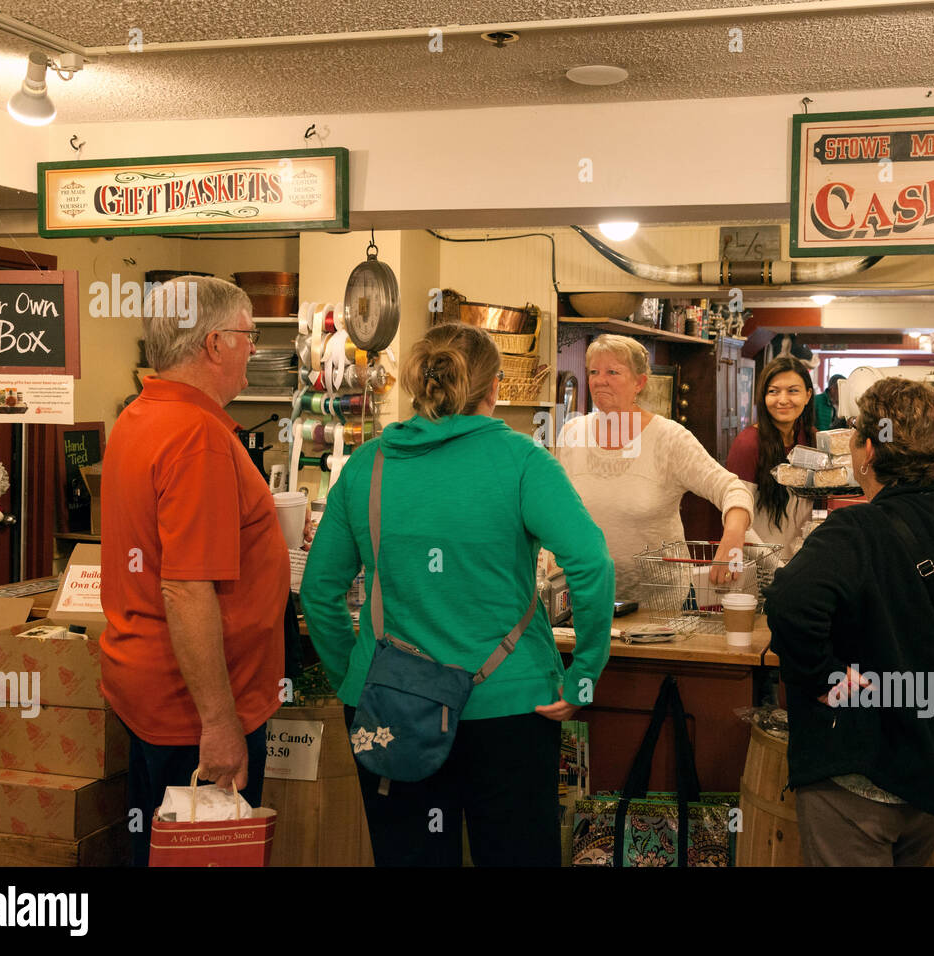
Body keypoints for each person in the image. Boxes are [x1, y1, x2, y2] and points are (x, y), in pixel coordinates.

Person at [301, 322, 614, 867]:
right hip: (512, 705)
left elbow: (319, 590)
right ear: (495, 388)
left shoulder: (367, 465)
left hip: (391, 704)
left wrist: (353, 678)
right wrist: (584, 672)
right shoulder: (522, 461)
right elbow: (591, 563)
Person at [765, 376, 934, 866]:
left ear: (867, 452)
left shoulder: (853, 530)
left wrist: (825, 680)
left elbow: (790, 605)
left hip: (860, 777)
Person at [99, 276, 286, 867]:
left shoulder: (139, 415)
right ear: (212, 345)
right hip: (194, 709)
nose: (253, 349)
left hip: (152, 692)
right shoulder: (197, 437)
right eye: (247, 335)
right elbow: (185, 589)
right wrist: (220, 724)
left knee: (153, 851)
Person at [555, 334, 754, 603]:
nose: (600, 379)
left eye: (613, 371)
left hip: (661, 606)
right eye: (594, 371)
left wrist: (732, 538)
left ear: (639, 382)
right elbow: (557, 509)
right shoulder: (571, 433)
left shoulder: (669, 438)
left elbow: (732, 488)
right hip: (588, 598)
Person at [726, 355, 818, 564]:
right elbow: (739, 519)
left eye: (793, 390)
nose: (783, 400)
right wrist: (776, 566)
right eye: (773, 391)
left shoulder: (812, 438)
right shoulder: (748, 444)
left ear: (808, 395)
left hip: (801, 562)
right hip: (758, 565)